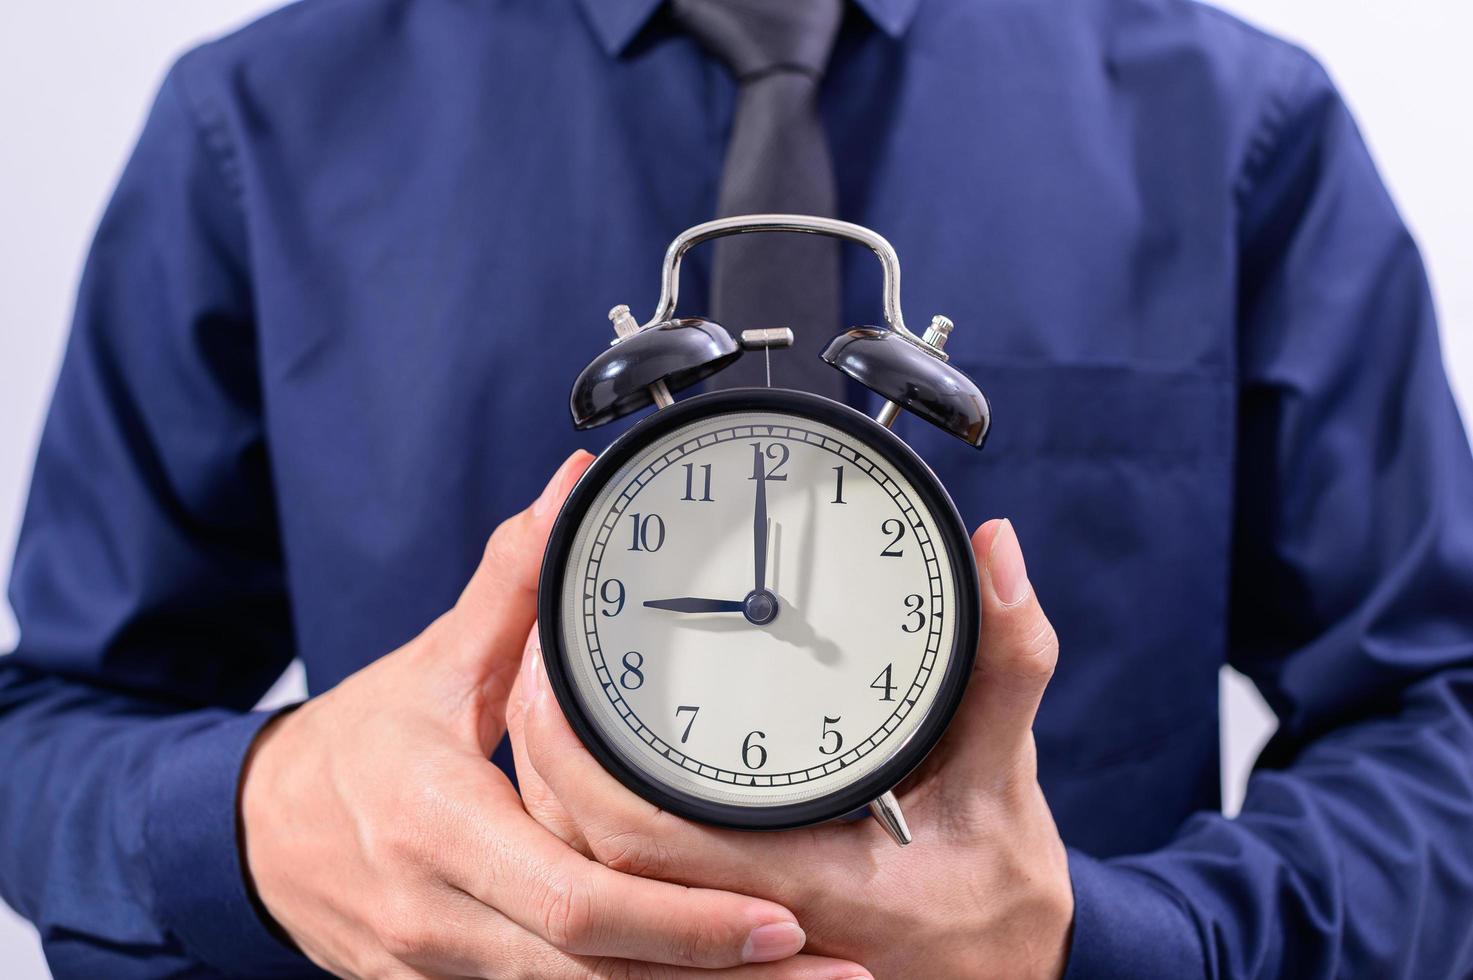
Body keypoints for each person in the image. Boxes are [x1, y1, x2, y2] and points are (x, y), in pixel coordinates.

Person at [2, 0, 1471, 976]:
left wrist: (1113, 940)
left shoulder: (1234, 127)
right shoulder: (257, 121)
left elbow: (1439, 721)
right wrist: (257, 818)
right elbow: (49, 724)